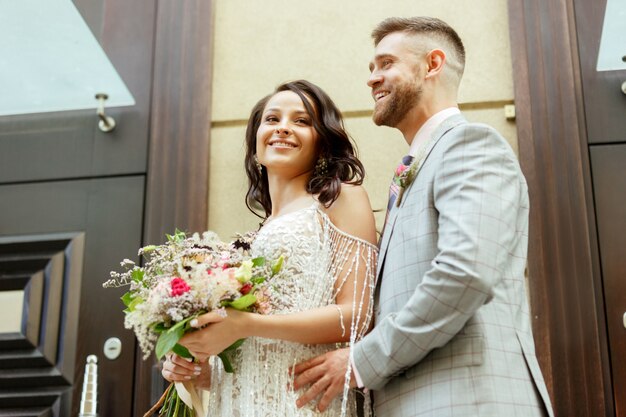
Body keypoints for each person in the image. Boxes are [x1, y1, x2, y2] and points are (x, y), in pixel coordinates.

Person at [292, 17, 555, 417]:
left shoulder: (470, 145)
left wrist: (363, 361)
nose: (372, 79)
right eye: (371, 69)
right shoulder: (414, 169)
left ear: (432, 64)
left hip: (468, 401)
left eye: (385, 64)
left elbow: (464, 273)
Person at [161, 80, 378, 417]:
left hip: (303, 403)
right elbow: (251, 351)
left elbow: (357, 316)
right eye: (272, 119)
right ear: (256, 144)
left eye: (302, 121)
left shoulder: (341, 199)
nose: (284, 128)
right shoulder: (251, 240)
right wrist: (199, 368)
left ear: (323, 142)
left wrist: (245, 324)